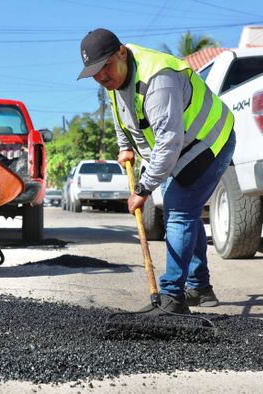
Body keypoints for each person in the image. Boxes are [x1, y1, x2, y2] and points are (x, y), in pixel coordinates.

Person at [77, 28, 236, 313]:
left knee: (179, 211)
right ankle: (200, 286)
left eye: (105, 67)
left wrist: (143, 189)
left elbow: (169, 141)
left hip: (209, 141)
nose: (101, 76)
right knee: (186, 209)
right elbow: (120, 113)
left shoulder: (157, 79)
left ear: (122, 53)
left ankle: (172, 297)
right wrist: (124, 144)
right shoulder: (116, 79)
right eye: (94, 72)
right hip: (178, 150)